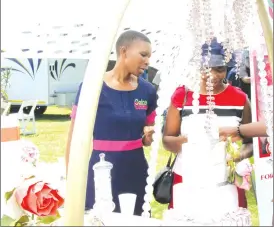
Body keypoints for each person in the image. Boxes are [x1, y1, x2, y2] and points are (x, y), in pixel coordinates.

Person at [66, 30, 157, 216]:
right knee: (100, 218)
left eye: (149, 56)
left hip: (136, 170)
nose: (148, 61)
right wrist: (71, 179)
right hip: (101, 170)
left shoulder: (147, 91)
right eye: (143, 55)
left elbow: (147, 139)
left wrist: (148, 137)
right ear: (123, 51)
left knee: (136, 219)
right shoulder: (93, 86)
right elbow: (74, 138)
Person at [163, 49, 253, 209]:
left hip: (226, 182)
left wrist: (237, 156)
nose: (213, 75)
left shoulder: (240, 99)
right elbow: (167, 140)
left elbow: (250, 142)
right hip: (187, 180)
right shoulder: (182, 95)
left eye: (220, 69)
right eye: (206, 68)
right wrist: (192, 140)